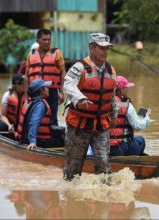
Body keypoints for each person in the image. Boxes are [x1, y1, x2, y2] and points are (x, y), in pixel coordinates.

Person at [62, 33, 118, 181]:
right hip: (79, 125)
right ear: (91, 47)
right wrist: (79, 98)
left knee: (104, 164)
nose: (105, 52)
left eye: (107, 48)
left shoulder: (111, 71)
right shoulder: (79, 67)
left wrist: (114, 115)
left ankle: (104, 197)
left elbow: (111, 96)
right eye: (102, 48)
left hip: (101, 125)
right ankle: (70, 199)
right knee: (73, 169)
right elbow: (67, 84)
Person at [25, 29, 66, 126]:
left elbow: (63, 73)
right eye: (44, 39)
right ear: (38, 40)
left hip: (51, 92)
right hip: (35, 91)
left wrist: (61, 92)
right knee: (34, 116)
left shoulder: (56, 53)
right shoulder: (31, 54)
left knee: (52, 117)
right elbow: (26, 74)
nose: (47, 42)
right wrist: (26, 91)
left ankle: (53, 139)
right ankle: (34, 138)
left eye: (49, 40)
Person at [14, 78, 64, 150]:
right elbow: (34, 123)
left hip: (24, 137)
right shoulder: (40, 105)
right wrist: (33, 141)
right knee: (62, 140)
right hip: (36, 140)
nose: (48, 89)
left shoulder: (31, 101)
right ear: (42, 90)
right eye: (46, 87)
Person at [109, 76, 151, 156]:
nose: (128, 90)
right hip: (121, 149)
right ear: (121, 89)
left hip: (104, 147)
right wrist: (147, 117)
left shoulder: (105, 102)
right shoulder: (126, 105)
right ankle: (133, 160)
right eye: (126, 88)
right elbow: (138, 126)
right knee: (140, 140)